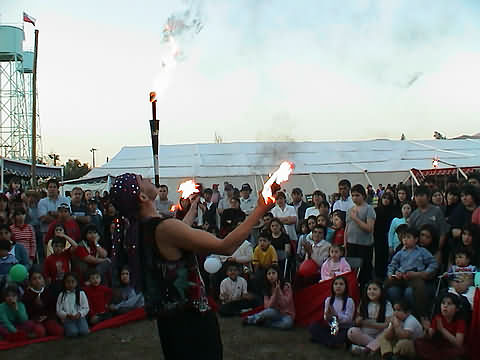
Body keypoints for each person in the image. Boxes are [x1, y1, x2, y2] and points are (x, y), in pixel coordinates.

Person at [109, 173, 275, 359]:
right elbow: (225, 246)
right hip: (192, 323)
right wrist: (261, 209)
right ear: (142, 196)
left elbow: (178, 235)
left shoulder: (142, 229)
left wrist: (191, 210)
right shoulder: (165, 228)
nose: (147, 178)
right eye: (141, 179)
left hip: (170, 323)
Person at [385, 227, 438, 317]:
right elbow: (392, 264)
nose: (405, 240)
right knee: (387, 285)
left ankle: (420, 315)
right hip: (401, 277)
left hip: (416, 277)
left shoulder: (422, 251)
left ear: (416, 239)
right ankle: (390, 311)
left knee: (415, 290)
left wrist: (425, 272)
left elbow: (433, 263)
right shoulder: (400, 252)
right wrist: (391, 274)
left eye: (408, 237)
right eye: (404, 237)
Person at [347, 280, 393, 356]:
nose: (371, 292)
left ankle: (366, 349)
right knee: (351, 331)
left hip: (379, 333)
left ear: (381, 291)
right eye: (369, 289)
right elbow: (357, 321)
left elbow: (387, 324)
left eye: (375, 289)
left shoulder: (386, 304)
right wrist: (358, 321)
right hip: (365, 333)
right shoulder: (364, 302)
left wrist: (370, 324)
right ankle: (377, 347)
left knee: (388, 330)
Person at [415, 293, 466, 360]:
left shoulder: (460, 321)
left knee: (458, 353)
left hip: (452, 349)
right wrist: (426, 330)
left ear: (457, 309)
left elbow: (458, 344)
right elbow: (429, 336)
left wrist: (442, 329)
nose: (445, 306)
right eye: (443, 303)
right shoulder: (437, 318)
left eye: (449, 304)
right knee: (419, 342)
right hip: (440, 347)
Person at [242, 265, 294, 329]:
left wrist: (278, 291)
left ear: (278, 274)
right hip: (274, 312)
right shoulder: (266, 288)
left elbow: (285, 304)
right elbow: (267, 306)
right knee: (268, 311)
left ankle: (267, 324)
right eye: (269, 274)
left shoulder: (286, 285)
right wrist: (275, 293)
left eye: (273, 273)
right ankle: (249, 319)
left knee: (287, 324)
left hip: (287, 314)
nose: (271, 276)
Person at [309, 276, 355, 347]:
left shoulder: (349, 301)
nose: (338, 286)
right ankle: (330, 341)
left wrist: (336, 316)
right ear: (332, 286)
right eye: (336, 284)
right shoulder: (328, 300)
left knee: (347, 333)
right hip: (332, 326)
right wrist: (328, 317)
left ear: (346, 287)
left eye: (341, 284)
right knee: (313, 326)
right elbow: (326, 317)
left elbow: (349, 319)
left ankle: (326, 341)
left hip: (344, 328)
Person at [344, 184, 376, 286]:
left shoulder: (369, 209)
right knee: (352, 271)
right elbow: (347, 228)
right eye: (352, 195)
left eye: (357, 195)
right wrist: (345, 244)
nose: (354, 198)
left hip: (364, 246)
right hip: (351, 245)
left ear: (363, 195)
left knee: (364, 273)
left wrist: (356, 219)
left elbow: (369, 228)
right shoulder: (350, 210)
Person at [23, 270, 64, 336]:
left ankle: (47, 328)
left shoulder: (47, 291)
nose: (37, 281)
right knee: (40, 332)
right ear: (30, 281)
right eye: (34, 279)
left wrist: (46, 315)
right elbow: (27, 311)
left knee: (59, 331)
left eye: (39, 278)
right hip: (35, 319)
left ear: (43, 280)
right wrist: (36, 305)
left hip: (47, 317)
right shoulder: (27, 294)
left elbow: (52, 308)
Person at [408, 186, 448, 251]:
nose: (419, 198)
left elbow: (443, 232)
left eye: (421, 195)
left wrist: (439, 250)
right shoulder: (413, 215)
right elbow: (411, 235)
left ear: (428, 197)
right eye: (416, 196)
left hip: (435, 249)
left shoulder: (437, 211)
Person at [374, 192, 400, 279]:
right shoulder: (376, 210)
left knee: (388, 256)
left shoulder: (394, 211)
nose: (386, 200)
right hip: (378, 236)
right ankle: (378, 275)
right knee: (379, 255)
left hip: (390, 236)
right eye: (384, 198)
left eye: (388, 198)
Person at [38, 179, 70, 246]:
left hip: (64, 233)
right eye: (50, 187)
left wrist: (53, 214)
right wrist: (60, 217)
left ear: (58, 188)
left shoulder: (65, 200)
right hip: (47, 232)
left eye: (54, 187)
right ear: (47, 189)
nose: (52, 189)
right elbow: (43, 218)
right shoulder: (42, 202)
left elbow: (68, 216)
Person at [56, 272, 89, 337]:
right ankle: (67, 328)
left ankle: (80, 326)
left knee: (84, 332)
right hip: (68, 318)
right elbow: (58, 310)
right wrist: (66, 315)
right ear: (64, 283)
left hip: (79, 317)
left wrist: (79, 313)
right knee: (73, 333)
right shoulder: (62, 295)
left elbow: (86, 307)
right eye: (68, 282)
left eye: (72, 282)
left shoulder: (81, 293)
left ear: (76, 282)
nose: (70, 284)